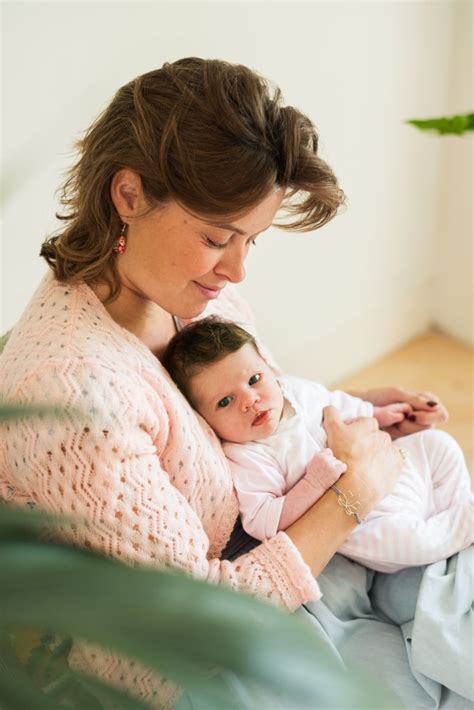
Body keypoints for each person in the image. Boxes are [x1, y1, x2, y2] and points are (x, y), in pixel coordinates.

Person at [0, 57, 465, 709]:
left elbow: (222, 425)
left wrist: (332, 411)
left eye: (252, 240)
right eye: (220, 237)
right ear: (128, 195)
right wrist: (353, 494)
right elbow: (188, 630)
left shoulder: (181, 291)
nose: (238, 270)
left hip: (280, 548)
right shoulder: (82, 399)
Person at [163, 316, 473, 573]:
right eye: (225, 401)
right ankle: (458, 528)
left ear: (269, 368)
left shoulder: (296, 390)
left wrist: (378, 413)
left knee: (437, 443)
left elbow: (338, 404)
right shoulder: (246, 457)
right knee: (406, 541)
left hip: (394, 470)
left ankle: (458, 505)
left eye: (254, 379)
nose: (249, 400)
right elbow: (264, 521)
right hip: (362, 519)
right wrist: (313, 482)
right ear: (204, 420)